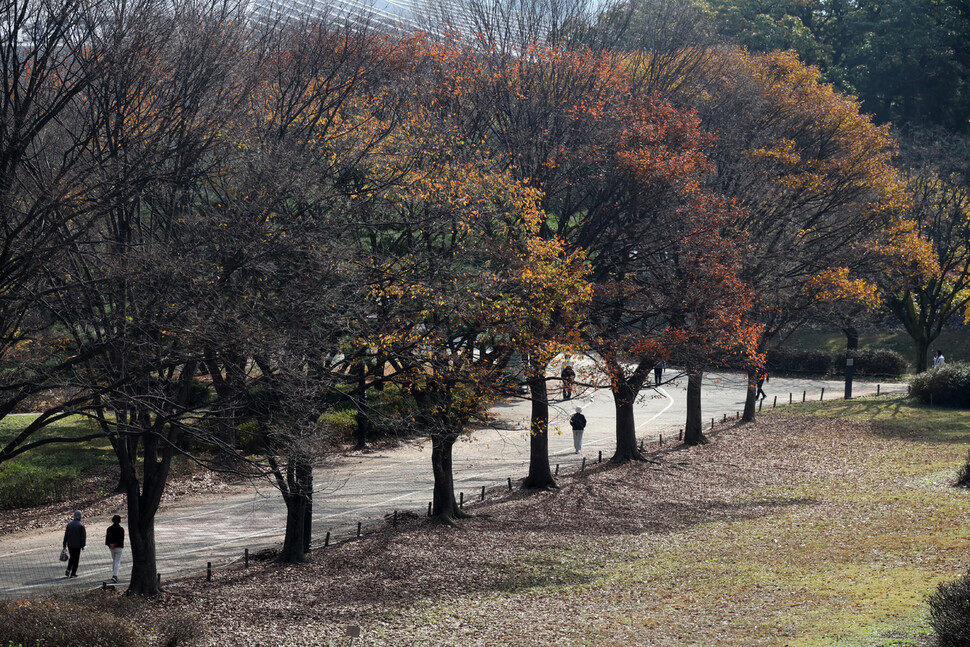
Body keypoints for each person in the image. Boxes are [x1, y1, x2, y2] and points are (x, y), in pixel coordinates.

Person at [63, 510, 86, 578]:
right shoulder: (81, 525)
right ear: (80, 517)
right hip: (77, 545)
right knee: (76, 559)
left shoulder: (69, 524)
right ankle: (73, 573)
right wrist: (83, 545)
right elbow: (83, 537)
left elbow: (66, 535)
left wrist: (64, 544)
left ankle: (68, 569)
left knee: (71, 557)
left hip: (70, 544)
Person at [105, 515, 125, 583]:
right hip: (118, 547)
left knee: (114, 560)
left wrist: (110, 544)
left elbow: (107, 539)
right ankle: (115, 575)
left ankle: (114, 574)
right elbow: (121, 539)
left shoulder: (109, 529)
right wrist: (116, 544)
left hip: (111, 547)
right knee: (117, 561)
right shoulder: (121, 529)